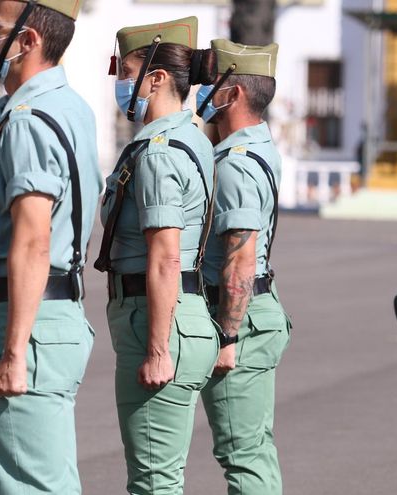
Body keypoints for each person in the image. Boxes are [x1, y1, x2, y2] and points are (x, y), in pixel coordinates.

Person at [0, 1, 102, 492]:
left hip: (24, 318)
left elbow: (31, 241)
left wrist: (14, 351)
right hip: (54, 314)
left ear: (28, 41)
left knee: (27, 484)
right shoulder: (72, 107)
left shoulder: (27, 119)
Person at [93, 16, 220, 494]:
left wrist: (158, 349)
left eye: (127, 72)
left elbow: (165, 257)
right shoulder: (189, 139)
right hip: (179, 312)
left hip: (159, 318)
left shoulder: (160, 152)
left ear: (158, 77)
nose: (122, 84)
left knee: (153, 482)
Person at [196, 39, 292, 495]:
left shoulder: (234, 164)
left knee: (242, 455)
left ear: (232, 95)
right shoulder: (256, 147)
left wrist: (228, 336)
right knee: (253, 448)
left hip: (240, 316)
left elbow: (241, 258)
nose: (201, 91)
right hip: (258, 310)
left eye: (209, 83)